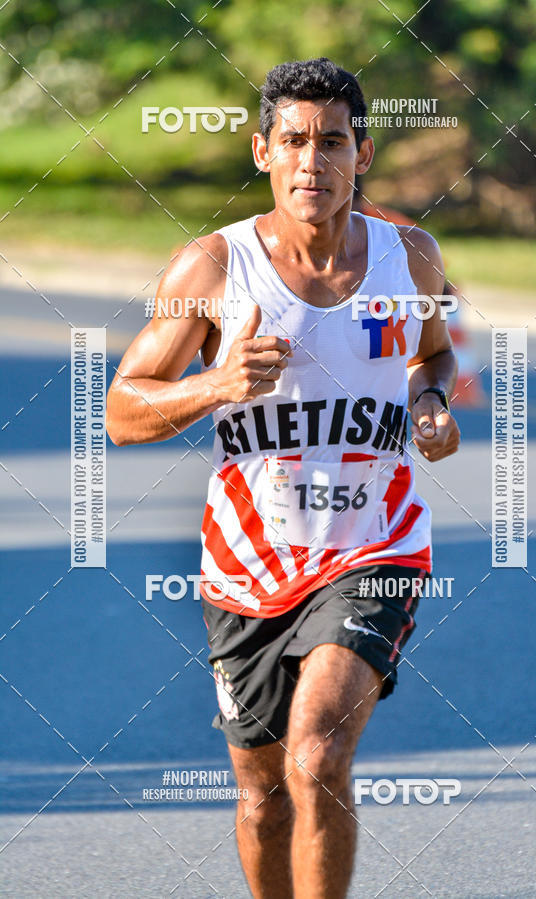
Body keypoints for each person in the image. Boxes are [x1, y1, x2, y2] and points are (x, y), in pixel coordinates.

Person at [107, 57, 460, 899]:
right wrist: (218, 384)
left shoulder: (408, 256)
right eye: (294, 141)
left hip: (377, 548)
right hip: (248, 569)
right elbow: (123, 410)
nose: (314, 162)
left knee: (317, 754)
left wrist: (432, 404)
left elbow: (435, 355)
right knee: (264, 797)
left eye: (332, 141)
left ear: (362, 156)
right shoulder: (211, 269)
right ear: (262, 152)